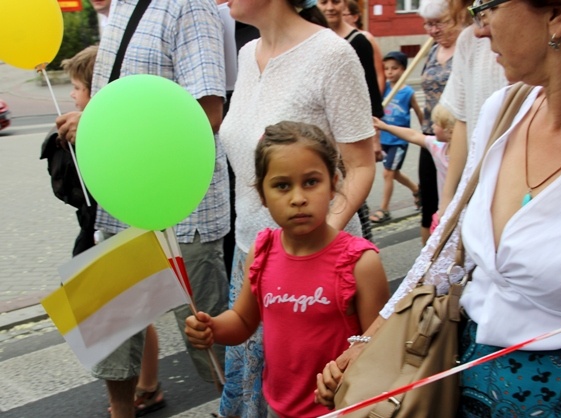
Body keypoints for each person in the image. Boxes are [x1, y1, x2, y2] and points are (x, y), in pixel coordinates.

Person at [317, 0, 561, 415]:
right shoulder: (502, 112)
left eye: (486, 7)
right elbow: (446, 252)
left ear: (557, 13)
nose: (479, 29)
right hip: (468, 390)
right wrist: (370, 343)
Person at [55, 1, 229, 417]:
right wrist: (91, 119)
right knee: (112, 331)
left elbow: (207, 114)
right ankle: (123, 411)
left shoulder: (189, 6)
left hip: (183, 207)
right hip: (122, 201)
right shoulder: (122, 8)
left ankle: (239, 408)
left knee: (212, 340)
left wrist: (99, 125)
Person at [216, 0, 376, 415]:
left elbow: (360, 165)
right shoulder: (246, 53)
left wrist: (319, 242)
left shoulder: (332, 54)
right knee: (255, 393)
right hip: (254, 255)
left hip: (322, 263)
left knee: (321, 395)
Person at [186, 121, 389, 418]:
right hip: (278, 408)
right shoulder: (262, 252)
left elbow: (380, 351)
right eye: (282, 186)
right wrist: (213, 328)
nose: (297, 198)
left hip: (344, 409)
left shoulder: (360, 263)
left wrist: (347, 377)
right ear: (262, 195)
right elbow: (243, 320)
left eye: (311, 182)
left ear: (334, 183)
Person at [318, 0, 384, 242]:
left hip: (350, 135)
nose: (330, 8)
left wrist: (374, 137)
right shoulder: (316, 40)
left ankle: (360, 248)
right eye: (324, 2)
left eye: (336, 1)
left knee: (353, 197)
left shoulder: (358, 41)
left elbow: (370, 94)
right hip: (325, 139)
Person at [436, 0, 506, 216]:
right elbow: (462, 120)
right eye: (479, 7)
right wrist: (448, 198)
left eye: (490, 6)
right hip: (479, 188)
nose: (480, 29)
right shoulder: (469, 41)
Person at [40, 45, 99, 256]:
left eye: (76, 87)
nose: (72, 94)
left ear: (95, 90)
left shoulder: (92, 134)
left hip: (97, 229)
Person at [374, 102, 455, 239]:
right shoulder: (437, 146)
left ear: (449, 130)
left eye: (436, 124)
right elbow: (413, 135)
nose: (432, 126)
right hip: (444, 212)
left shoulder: (465, 154)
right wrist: (385, 127)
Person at [417, 0, 462, 245]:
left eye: (438, 23)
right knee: (429, 204)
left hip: (458, 139)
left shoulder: (467, 47)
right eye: (428, 24)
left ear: (455, 18)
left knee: (455, 202)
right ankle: (426, 262)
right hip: (430, 137)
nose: (433, 30)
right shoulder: (432, 51)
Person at [368, 51, 422, 224]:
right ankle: (416, 190)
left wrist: (425, 133)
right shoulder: (383, 89)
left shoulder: (407, 92)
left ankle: (384, 209)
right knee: (394, 173)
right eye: (386, 69)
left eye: (395, 68)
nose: (390, 72)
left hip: (399, 140)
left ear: (404, 70)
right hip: (384, 139)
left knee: (388, 174)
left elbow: (419, 112)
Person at [342, 0, 385, 93]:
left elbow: (379, 73)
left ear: (355, 17)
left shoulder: (366, 38)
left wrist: (377, 98)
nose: (340, 18)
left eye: (344, 15)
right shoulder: (335, 38)